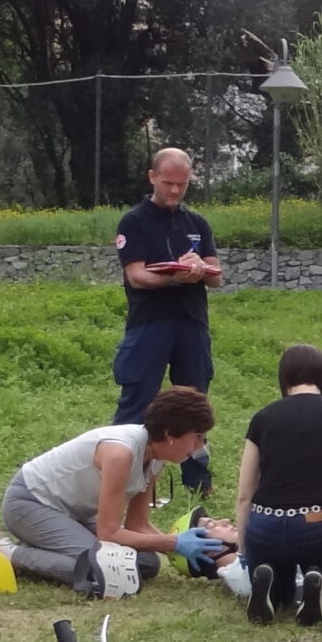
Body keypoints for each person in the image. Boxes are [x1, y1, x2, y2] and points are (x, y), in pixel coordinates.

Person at [2, 388, 228, 596]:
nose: (200, 445)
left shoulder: (156, 457)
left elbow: (136, 526)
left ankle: (44, 545)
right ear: (170, 434)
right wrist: (174, 543)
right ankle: (6, 552)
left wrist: (180, 547)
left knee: (147, 563)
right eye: (198, 435)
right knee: (105, 569)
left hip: (75, 514)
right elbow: (108, 534)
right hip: (29, 503)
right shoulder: (121, 454)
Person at [111, 147, 223, 495]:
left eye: (182, 184)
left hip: (191, 322)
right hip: (150, 322)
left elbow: (216, 276)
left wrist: (200, 270)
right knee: (139, 396)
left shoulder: (197, 223)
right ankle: (120, 472)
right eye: (168, 183)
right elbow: (137, 276)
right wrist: (176, 276)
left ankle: (196, 478)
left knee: (193, 399)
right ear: (152, 177)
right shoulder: (134, 221)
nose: (175, 190)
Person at [234, 343, 322, 627]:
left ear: (284, 380)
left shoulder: (262, 418)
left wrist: (243, 549)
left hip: (266, 521)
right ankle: (320, 581)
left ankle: (270, 584)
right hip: (316, 520)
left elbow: (245, 493)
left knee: (273, 576)